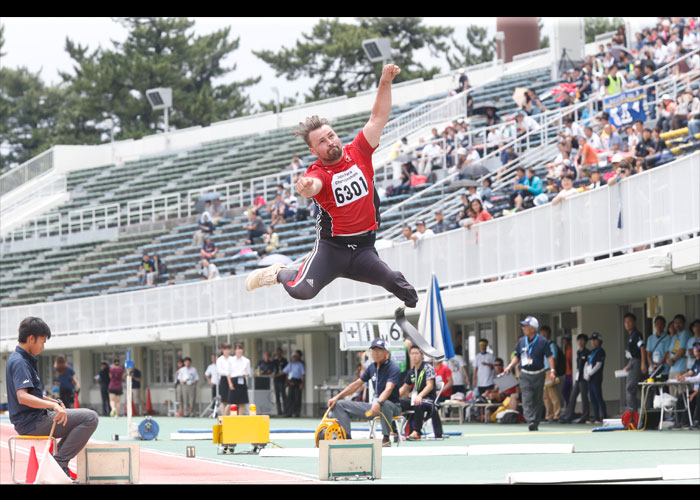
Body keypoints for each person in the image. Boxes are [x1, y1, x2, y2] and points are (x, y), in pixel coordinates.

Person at [245, 64, 419, 312]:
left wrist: (385, 82)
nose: (330, 142)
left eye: (332, 136)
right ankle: (278, 273)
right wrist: (306, 188)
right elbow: (313, 187)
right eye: (322, 142)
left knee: (396, 283)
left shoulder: (359, 150)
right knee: (301, 291)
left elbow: (378, 117)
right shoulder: (317, 173)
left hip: (364, 249)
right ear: (313, 151)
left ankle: (412, 306)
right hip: (332, 248)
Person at [5, 317, 98, 481]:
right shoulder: (20, 362)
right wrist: (53, 407)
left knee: (80, 418)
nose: (43, 346)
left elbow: (32, 394)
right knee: (90, 418)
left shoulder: (21, 359)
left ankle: (58, 463)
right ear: (31, 338)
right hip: (32, 422)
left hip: (35, 418)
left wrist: (53, 402)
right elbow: (23, 397)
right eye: (42, 341)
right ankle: (59, 462)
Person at [327, 338, 402, 447]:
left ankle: (386, 438)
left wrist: (379, 402)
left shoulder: (393, 368)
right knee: (339, 404)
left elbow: (389, 388)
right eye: (373, 350)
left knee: (384, 404)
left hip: (392, 407)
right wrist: (337, 397)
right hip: (371, 410)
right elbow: (356, 384)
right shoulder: (371, 367)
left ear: (386, 353)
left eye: (379, 350)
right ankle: (346, 438)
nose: (375, 353)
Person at [503, 316, 556, 431]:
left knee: (537, 399)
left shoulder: (543, 341)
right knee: (526, 398)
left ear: (532, 328)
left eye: (525, 326)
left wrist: (552, 371)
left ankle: (535, 422)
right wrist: (509, 366)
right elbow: (517, 356)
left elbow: (550, 357)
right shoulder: (522, 341)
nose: (523, 328)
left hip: (539, 374)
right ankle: (530, 420)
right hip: (525, 374)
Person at [399, 345, 439, 440]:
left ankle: (417, 431)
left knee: (418, 402)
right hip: (416, 398)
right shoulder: (412, 371)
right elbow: (404, 387)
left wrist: (420, 396)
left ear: (422, 355)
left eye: (417, 353)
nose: (414, 356)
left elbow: (430, 385)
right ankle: (395, 432)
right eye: (412, 354)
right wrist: (392, 397)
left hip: (428, 399)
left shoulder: (428, 367)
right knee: (397, 402)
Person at [562, 334, 591, 423]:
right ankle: (568, 415)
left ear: (585, 342)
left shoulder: (587, 353)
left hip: (584, 378)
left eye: (582, 340)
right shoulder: (578, 352)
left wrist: (586, 376)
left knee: (584, 397)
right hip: (578, 378)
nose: (580, 342)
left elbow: (588, 366)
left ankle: (585, 416)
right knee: (572, 396)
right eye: (579, 340)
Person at [622, 312, 647, 413]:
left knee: (630, 388)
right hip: (633, 361)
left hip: (638, 362)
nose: (627, 324)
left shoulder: (636, 334)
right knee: (639, 388)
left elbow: (642, 347)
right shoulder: (630, 336)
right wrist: (628, 365)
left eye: (629, 321)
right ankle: (636, 412)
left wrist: (643, 363)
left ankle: (632, 412)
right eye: (625, 322)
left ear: (634, 323)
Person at [676, 341, 700, 429]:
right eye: (695, 347)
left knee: (697, 396)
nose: (696, 349)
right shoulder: (697, 361)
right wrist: (681, 377)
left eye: (698, 347)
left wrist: (685, 379)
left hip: (698, 391)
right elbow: (690, 372)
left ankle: (697, 421)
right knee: (681, 396)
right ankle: (681, 421)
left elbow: (698, 378)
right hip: (696, 389)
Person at [584, 332, 607, 423]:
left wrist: (590, 374)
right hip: (590, 378)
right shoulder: (591, 352)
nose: (593, 342)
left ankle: (604, 416)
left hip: (596, 377)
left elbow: (598, 365)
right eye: (592, 340)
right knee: (592, 398)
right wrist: (585, 374)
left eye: (595, 340)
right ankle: (596, 417)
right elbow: (587, 363)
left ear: (599, 341)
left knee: (598, 397)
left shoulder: (600, 351)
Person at [647, 316, 671, 381]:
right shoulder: (650, 338)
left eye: (661, 324)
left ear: (664, 325)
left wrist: (659, 365)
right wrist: (652, 365)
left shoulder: (667, 338)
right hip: (652, 369)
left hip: (664, 368)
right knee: (654, 388)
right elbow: (649, 353)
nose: (659, 326)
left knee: (664, 388)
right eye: (657, 324)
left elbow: (667, 353)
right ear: (654, 325)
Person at [229, 343, 251, 415]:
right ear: (235, 350)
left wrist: (245, 374)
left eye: (240, 349)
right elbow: (228, 373)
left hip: (242, 380)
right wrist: (230, 383)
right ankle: (226, 417)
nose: (239, 351)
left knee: (242, 402)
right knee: (231, 403)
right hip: (233, 380)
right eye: (237, 349)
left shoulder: (246, 361)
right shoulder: (231, 360)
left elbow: (248, 373)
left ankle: (240, 418)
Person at [283, 352, 305, 417]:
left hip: (298, 381)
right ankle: (289, 412)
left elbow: (303, 374)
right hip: (291, 381)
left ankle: (297, 413)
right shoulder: (290, 364)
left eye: (295, 357)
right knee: (289, 397)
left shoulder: (300, 365)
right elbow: (286, 373)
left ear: (298, 357)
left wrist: (302, 383)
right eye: (293, 357)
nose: (294, 358)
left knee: (297, 397)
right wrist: (286, 382)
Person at [216, 344, 234, 416]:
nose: (227, 351)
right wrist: (227, 372)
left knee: (231, 400)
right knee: (224, 401)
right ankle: (223, 416)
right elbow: (219, 371)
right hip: (223, 380)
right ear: (222, 350)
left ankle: (228, 415)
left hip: (232, 379)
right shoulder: (219, 360)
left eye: (228, 349)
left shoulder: (232, 359)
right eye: (225, 349)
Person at [272, 347, 289, 416]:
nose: (278, 353)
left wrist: (286, 381)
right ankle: (279, 411)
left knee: (283, 396)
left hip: (282, 380)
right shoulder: (275, 361)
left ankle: (285, 411)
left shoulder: (285, 361)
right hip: (276, 380)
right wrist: (273, 355)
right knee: (277, 396)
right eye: (277, 352)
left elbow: (286, 372)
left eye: (279, 352)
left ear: (281, 352)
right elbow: (271, 363)